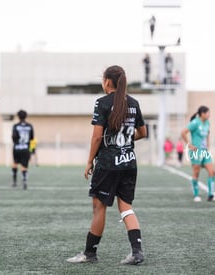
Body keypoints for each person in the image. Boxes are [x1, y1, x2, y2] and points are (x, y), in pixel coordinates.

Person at [67, 65, 147, 265]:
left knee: (99, 207)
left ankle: (89, 253)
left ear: (107, 82)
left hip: (108, 164)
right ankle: (137, 252)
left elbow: (96, 137)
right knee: (126, 206)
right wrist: (126, 141)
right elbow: (143, 133)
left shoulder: (102, 103)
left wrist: (89, 162)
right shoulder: (134, 103)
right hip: (129, 162)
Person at [181, 106, 215, 202]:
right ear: (202, 114)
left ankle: (211, 194)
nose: (209, 115)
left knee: (212, 172)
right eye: (208, 113)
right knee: (196, 173)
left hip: (205, 152)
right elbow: (183, 132)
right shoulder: (195, 123)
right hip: (196, 152)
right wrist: (189, 145)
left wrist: (208, 144)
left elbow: (207, 133)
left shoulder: (207, 123)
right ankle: (196, 195)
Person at [12, 109, 34, 189]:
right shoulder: (29, 126)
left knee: (15, 163)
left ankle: (14, 181)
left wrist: (16, 142)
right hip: (26, 148)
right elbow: (32, 139)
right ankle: (24, 180)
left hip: (17, 148)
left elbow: (14, 137)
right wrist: (32, 151)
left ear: (18, 116)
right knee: (24, 165)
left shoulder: (16, 126)